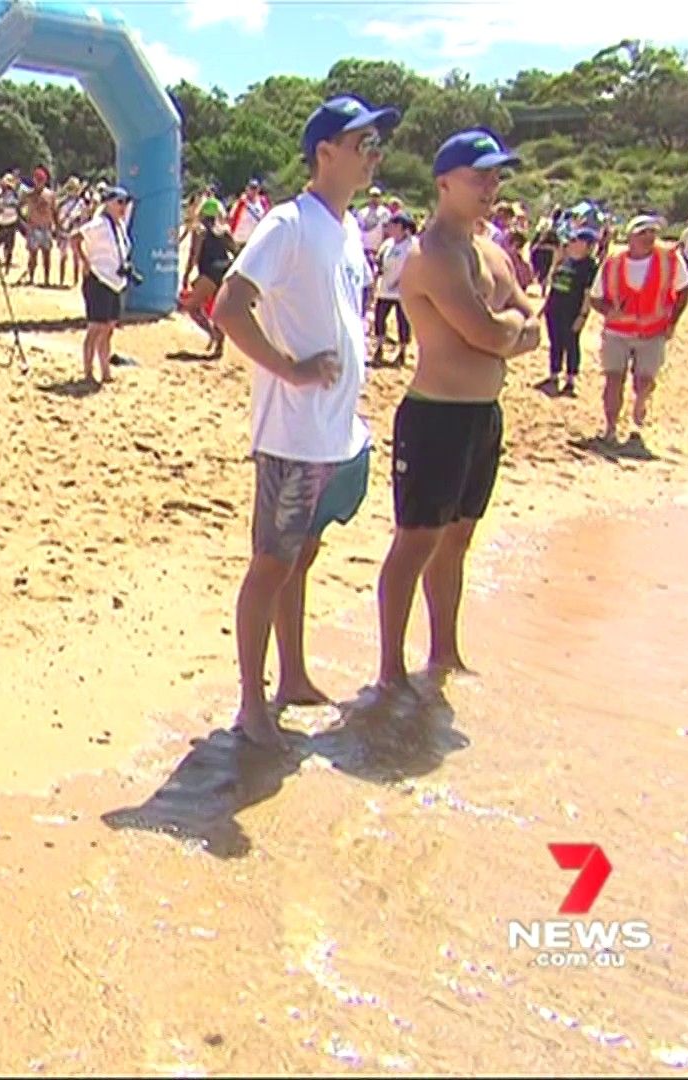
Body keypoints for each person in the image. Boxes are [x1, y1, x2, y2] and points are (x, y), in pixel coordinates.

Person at [210, 93, 398, 747]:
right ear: (325, 152)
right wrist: (288, 368)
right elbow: (229, 307)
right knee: (271, 563)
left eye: (376, 145)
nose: (374, 156)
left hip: (335, 433)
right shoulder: (288, 223)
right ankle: (251, 703)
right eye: (362, 144)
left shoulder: (346, 231)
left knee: (302, 557)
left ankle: (291, 676)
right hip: (292, 435)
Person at [375, 128, 541, 694]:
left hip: (482, 415)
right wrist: (510, 330)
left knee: (458, 539)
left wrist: (507, 329)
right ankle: (390, 668)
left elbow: (528, 320)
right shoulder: (433, 256)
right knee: (416, 541)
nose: (491, 187)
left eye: (496, 177)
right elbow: (488, 333)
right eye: (479, 177)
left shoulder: (491, 252)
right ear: (444, 183)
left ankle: (444, 652)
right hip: (435, 416)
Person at [591, 215, 688, 449]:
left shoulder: (669, 259)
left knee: (644, 381)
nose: (649, 237)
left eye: (652, 232)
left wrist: (673, 321)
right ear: (630, 236)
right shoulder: (613, 262)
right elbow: (596, 297)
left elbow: (684, 290)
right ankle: (610, 428)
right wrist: (608, 311)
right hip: (617, 331)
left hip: (653, 331)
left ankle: (640, 404)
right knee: (613, 379)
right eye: (642, 232)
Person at [78, 186, 135, 383]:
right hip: (99, 279)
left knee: (109, 328)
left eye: (125, 203)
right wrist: (85, 263)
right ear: (108, 203)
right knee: (95, 327)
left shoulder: (120, 226)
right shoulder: (99, 224)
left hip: (115, 281)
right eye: (120, 202)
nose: (123, 207)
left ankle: (105, 371)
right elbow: (75, 238)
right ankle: (88, 372)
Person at [538, 227, 598, 396]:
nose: (571, 243)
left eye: (575, 240)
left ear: (587, 245)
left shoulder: (590, 266)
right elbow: (554, 284)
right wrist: (544, 307)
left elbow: (588, 293)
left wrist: (582, 316)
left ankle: (570, 380)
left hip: (572, 310)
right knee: (555, 342)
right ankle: (553, 375)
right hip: (554, 308)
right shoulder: (565, 260)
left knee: (571, 343)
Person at [180, 196, 234, 356]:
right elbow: (237, 251)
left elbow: (194, 255)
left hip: (209, 270)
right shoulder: (224, 231)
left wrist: (186, 276)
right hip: (225, 269)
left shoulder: (200, 231)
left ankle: (212, 334)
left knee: (192, 307)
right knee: (218, 310)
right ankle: (219, 346)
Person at [371, 213, 414, 367]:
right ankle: (379, 348)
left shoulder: (412, 246)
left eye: (395, 225)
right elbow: (380, 262)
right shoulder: (388, 244)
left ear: (404, 229)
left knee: (403, 321)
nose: (391, 228)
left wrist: (402, 281)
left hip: (403, 292)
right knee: (379, 319)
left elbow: (415, 267)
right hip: (385, 289)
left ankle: (402, 352)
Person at [18, 166, 58, 288]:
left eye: (41, 179)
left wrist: (56, 226)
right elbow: (19, 207)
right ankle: (31, 278)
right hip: (33, 227)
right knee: (32, 255)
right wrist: (25, 222)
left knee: (46, 255)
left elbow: (54, 211)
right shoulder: (29, 195)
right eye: (37, 179)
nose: (39, 181)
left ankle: (46, 279)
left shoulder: (50, 195)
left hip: (46, 228)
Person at [0, 171, 24, 277]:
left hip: (10, 223)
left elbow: (19, 210)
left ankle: (2, 269)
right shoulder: (0, 197)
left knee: (6, 247)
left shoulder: (14, 197)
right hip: (4, 223)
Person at [227, 177, 271, 246]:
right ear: (247, 189)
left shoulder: (262, 202)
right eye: (251, 188)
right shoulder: (241, 201)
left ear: (259, 189)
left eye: (255, 188)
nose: (253, 190)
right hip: (237, 238)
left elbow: (266, 218)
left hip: (253, 240)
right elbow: (231, 216)